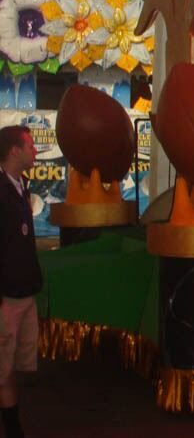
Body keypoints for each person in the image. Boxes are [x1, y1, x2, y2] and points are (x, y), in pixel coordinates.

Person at [0, 126, 41, 438]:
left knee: (16, 365)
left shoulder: (20, 186)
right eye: (30, 145)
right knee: (2, 368)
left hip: (25, 292)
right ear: (14, 150)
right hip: (7, 297)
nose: (35, 151)